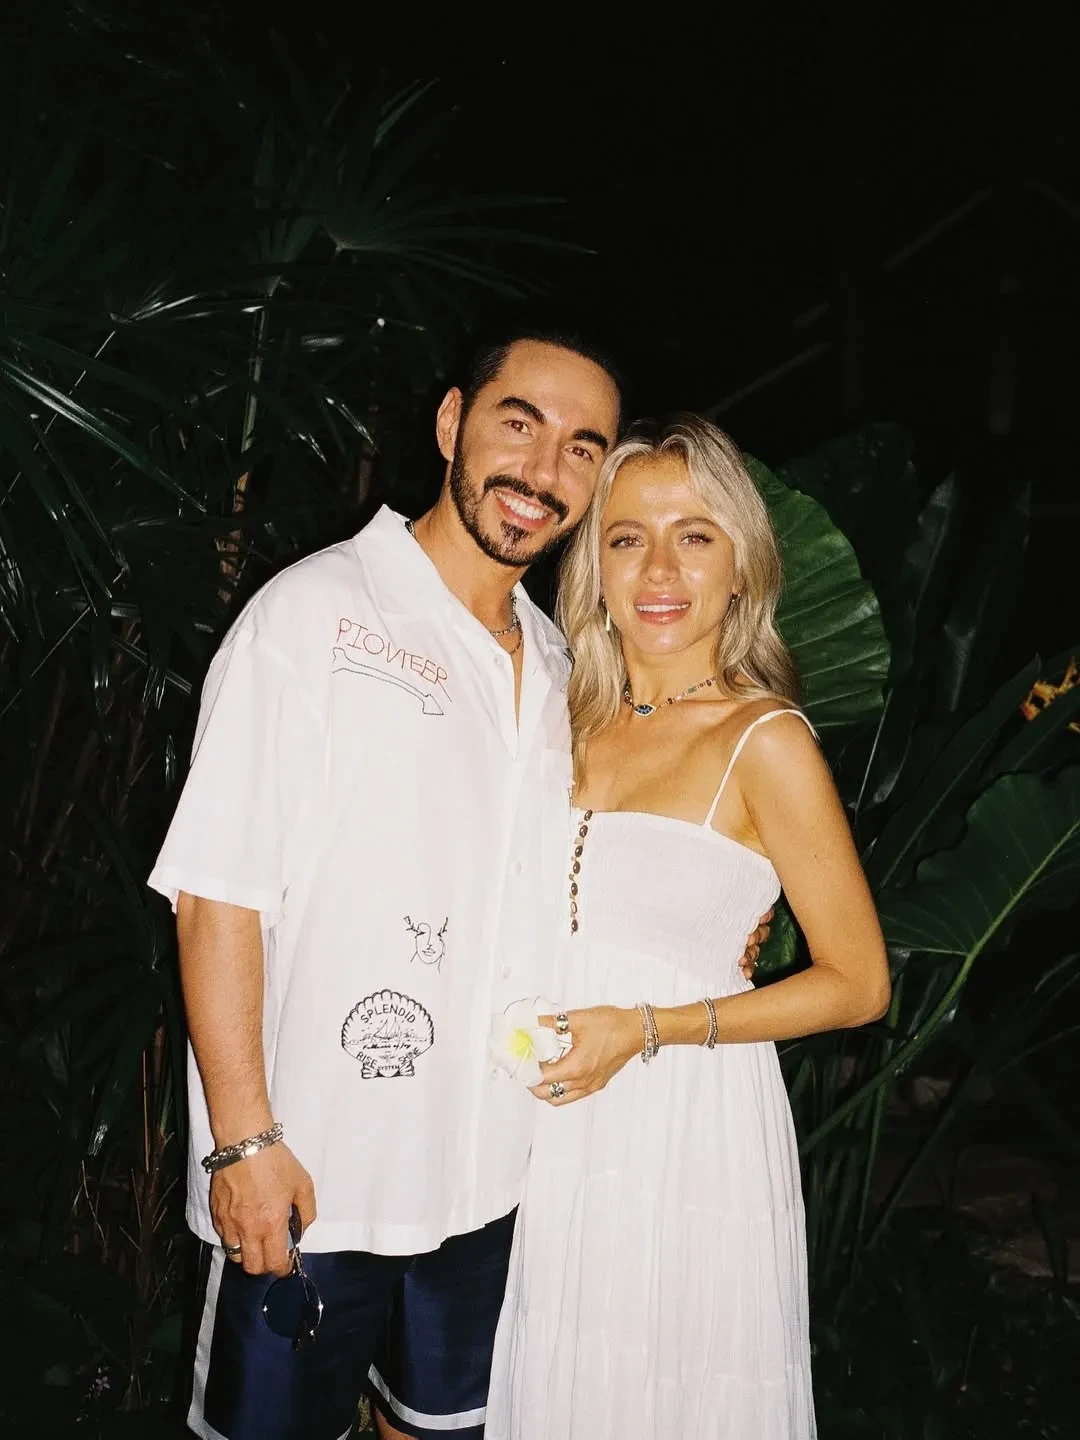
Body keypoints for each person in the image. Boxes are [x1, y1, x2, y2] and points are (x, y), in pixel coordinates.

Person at [148, 328, 773, 1440]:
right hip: (316, 1173)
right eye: (518, 424)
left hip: (499, 1178)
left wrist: (713, 916)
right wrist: (243, 1143)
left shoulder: (562, 667)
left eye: (581, 448)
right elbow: (217, 894)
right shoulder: (316, 614)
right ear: (452, 424)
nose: (541, 471)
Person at [486, 415, 891, 1440]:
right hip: (535, 1131)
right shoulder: (554, 718)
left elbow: (858, 983)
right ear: (594, 569)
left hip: (680, 1132)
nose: (660, 569)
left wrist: (650, 1027)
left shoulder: (765, 741)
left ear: (741, 567)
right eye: (627, 538)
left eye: (695, 536)